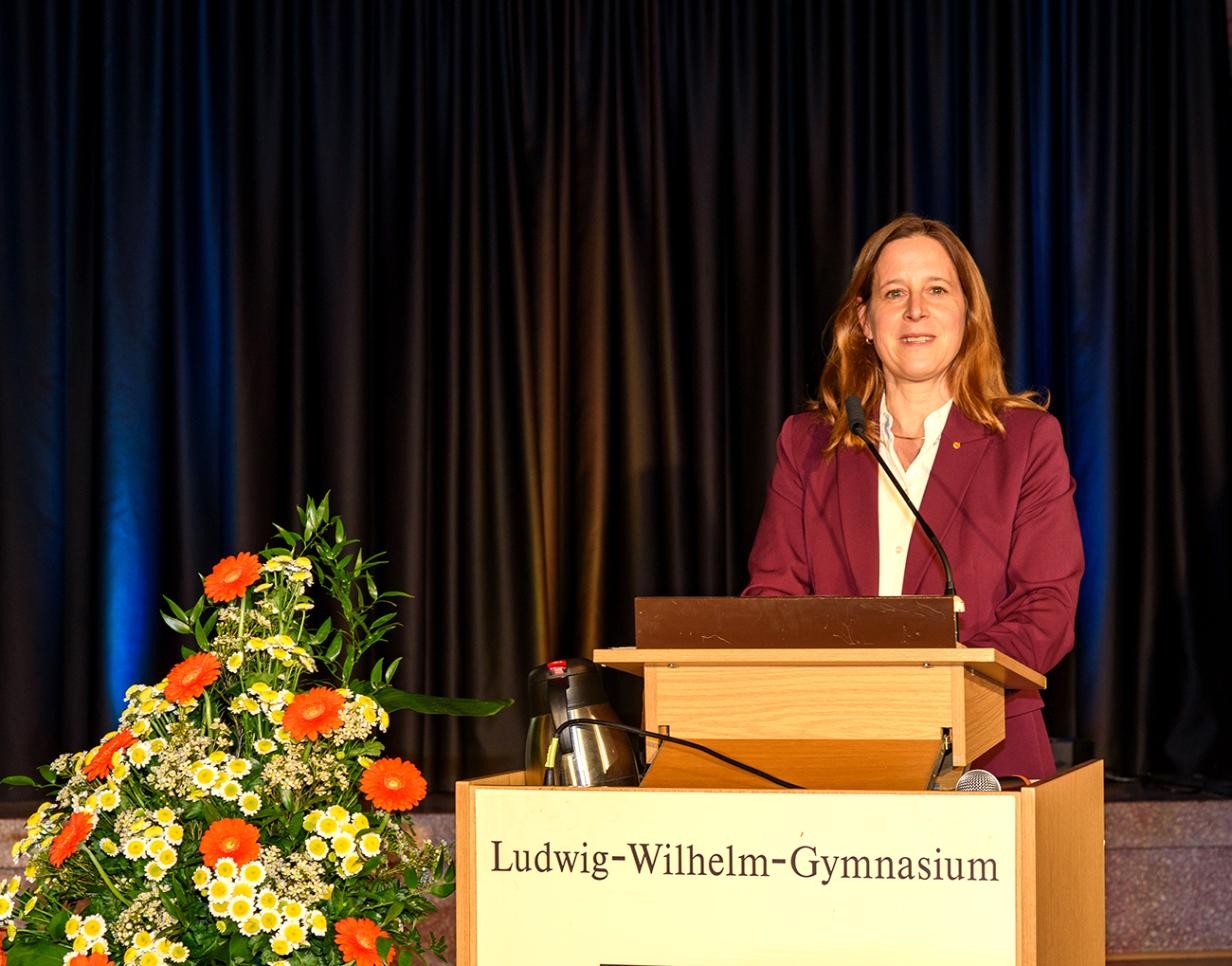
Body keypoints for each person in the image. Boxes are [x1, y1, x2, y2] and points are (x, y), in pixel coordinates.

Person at [743, 213, 1084, 779]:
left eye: (937, 290)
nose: (916, 310)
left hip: (988, 751)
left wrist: (941, 688)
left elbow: (1046, 607)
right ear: (865, 321)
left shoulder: (1025, 441)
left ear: (967, 315)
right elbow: (771, 598)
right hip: (837, 744)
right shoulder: (807, 444)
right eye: (894, 292)